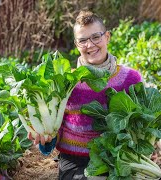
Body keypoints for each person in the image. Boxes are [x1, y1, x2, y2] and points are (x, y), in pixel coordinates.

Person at [28, 10, 145, 180]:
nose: (90, 45)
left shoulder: (131, 78)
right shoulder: (65, 82)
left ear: (107, 37)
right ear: (76, 45)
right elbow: (52, 139)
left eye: (96, 37)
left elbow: (145, 123)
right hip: (76, 164)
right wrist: (46, 140)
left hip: (120, 159)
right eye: (83, 40)